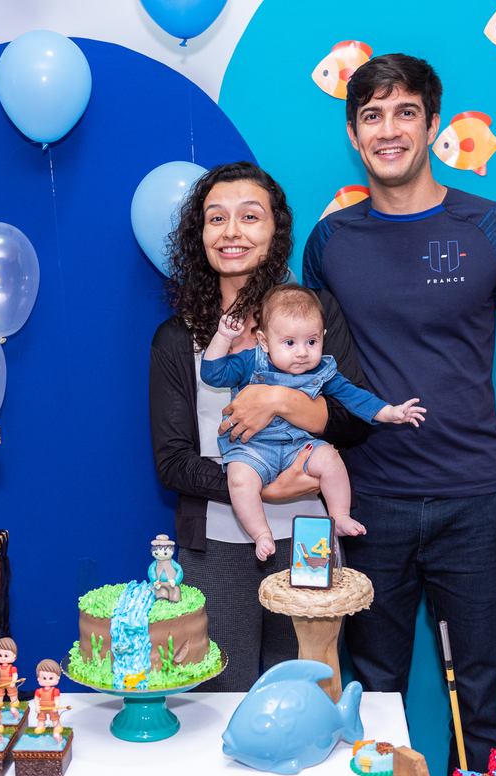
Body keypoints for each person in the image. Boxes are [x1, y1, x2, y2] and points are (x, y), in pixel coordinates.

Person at [302, 54, 496, 776]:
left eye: (405, 112)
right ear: (354, 134)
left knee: (478, 700)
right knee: (372, 699)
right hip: (366, 508)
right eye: (372, 116)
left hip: (472, 505)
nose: (388, 130)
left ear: (432, 123)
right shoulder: (329, 242)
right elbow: (309, 367)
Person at [149, 161, 372, 692]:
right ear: (199, 235)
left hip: (310, 538)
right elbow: (173, 462)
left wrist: (276, 399)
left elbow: (353, 422)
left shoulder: (315, 315)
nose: (232, 232)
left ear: (276, 231)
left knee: (308, 690)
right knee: (222, 696)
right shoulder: (177, 338)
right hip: (216, 547)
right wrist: (263, 487)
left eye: (250, 216)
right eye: (216, 218)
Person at [201, 283, 426, 556]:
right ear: (264, 341)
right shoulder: (250, 361)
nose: (302, 353)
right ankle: (260, 533)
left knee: (331, 459)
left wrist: (390, 412)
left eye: (311, 341)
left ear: (323, 337)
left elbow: (355, 397)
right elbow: (213, 374)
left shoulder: (322, 370)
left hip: (299, 445)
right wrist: (223, 338)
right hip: (252, 449)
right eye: (289, 343)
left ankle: (339, 515)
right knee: (239, 480)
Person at [32, 659, 64, 741]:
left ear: (58, 678)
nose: (47, 681)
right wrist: (37, 706)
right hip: (42, 707)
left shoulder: (55, 691)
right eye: (44, 678)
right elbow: (36, 698)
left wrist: (56, 706)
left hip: (52, 707)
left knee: (55, 718)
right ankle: (41, 727)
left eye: (51, 678)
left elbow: (57, 699)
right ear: (38, 678)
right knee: (41, 718)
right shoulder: (39, 691)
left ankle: (57, 727)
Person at [0, 637, 20, 708]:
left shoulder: (12, 668)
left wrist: (13, 682)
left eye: (6, 655)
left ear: (14, 656)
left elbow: (15, 675)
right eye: (0, 655)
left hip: (10, 683)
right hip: (0, 683)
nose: (3, 658)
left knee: (12, 693)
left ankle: (14, 702)